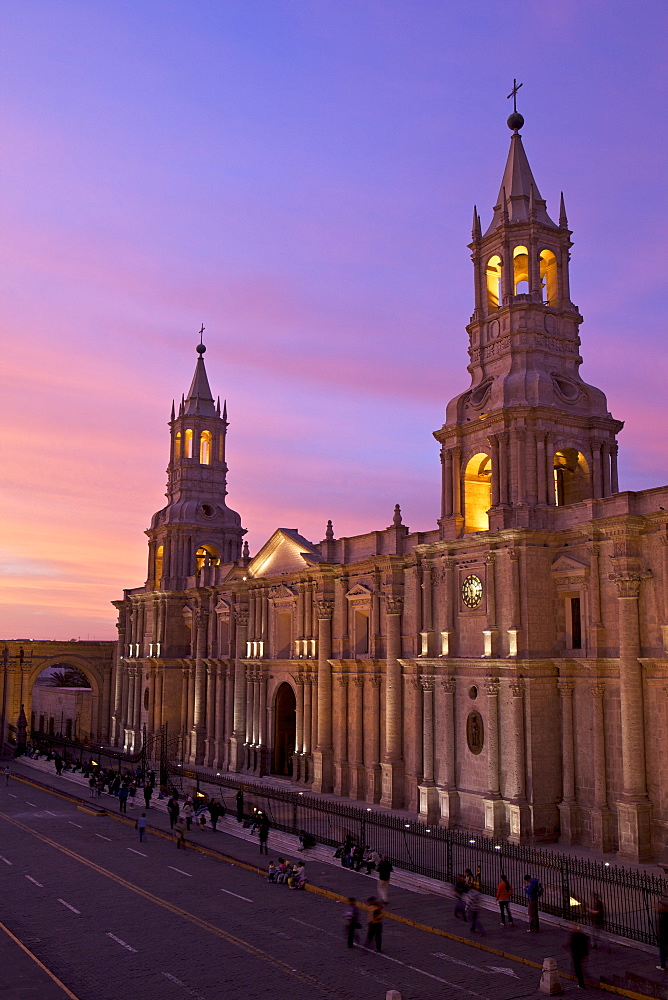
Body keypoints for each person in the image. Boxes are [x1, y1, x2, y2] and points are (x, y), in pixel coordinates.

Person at [569, 924, 589, 989]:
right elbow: (585, 947)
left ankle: (581, 983)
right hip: (580, 954)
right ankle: (582, 978)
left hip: (576, 954)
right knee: (579, 967)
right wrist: (586, 955)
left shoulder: (574, 935)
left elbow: (572, 944)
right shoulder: (584, 936)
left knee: (578, 969)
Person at [657, 895, 668, 971]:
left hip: (664, 937)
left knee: (662, 950)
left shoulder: (663, 917)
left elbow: (661, 929)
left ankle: (662, 965)